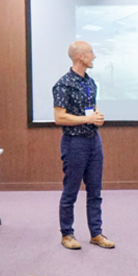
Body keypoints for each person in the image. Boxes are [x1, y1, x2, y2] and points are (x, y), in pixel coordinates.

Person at [53, 40, 114, 251]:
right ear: (80, 56)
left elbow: (92, 108)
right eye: (91, 53)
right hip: (74, 143)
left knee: (95, 190)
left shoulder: (91, 83)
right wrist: (87, 120)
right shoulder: (63, 84)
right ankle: (67, 234)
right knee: (71, 191)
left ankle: (96, 233)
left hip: (93, 141)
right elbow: (59, 117)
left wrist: (96, 118)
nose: (94, 56)